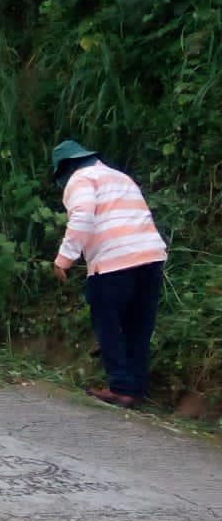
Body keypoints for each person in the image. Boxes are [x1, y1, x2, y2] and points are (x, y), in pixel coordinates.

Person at [50, 140, 167, 407]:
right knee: (139, 326)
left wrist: (64, 259)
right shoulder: (121, 178)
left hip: (114, 264)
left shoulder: (80, 179)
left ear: (66, 168)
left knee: (109, 325)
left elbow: (82, 218)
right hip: (151, 258)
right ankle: (134, 388)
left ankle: (120, 387)